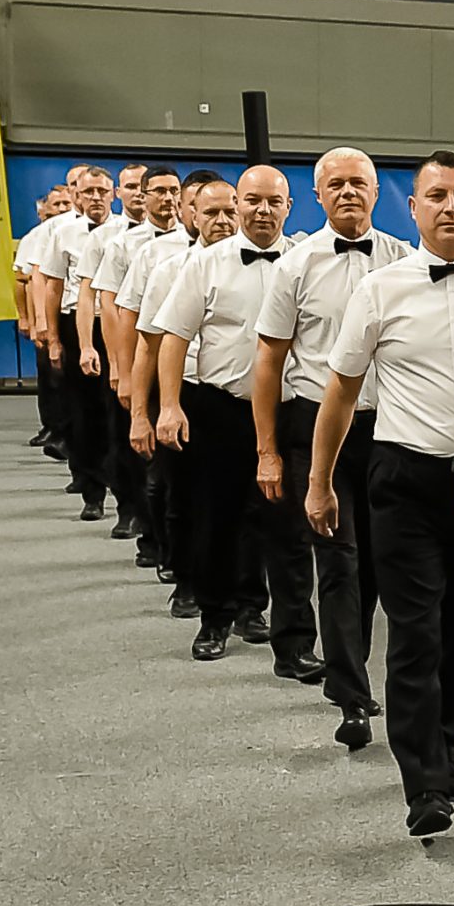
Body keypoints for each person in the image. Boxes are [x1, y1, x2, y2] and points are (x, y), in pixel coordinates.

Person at [310, 151, 454, 838]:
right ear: (413, 208)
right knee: (414, 631)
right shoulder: (380, 289)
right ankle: (423, 782)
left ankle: (444, 748)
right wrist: (319, 481)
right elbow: (340, 392)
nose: (450, 207)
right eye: (436, 196)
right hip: (404, 478)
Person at [257, 149, 405, 748]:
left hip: (388, 430)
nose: (348, 192)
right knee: (338, 562)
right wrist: (267, 450)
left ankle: (356, 672)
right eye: (336, 184)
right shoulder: (294, 266)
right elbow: (268, 361)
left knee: (375, 568)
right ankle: (351, 695)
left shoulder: (403, 262)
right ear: (317, 196)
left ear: (376, 192)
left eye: (358, 183)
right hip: (315, 428)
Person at [145, 197, 307, 671]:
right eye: (253, 201)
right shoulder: (205, 263)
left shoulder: (305, 261)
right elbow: (174, 337)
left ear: (289, 207)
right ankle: (214, 616)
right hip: (221, 407)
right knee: (217, 518)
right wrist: (168, 405)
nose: (263, 211)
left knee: (281, 523)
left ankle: (265, 617)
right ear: (240, 207)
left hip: (288, 409)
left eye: (273, 202)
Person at [129, 178, 239, 609]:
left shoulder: (276, 264)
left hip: (250, 399)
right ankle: (188, 581)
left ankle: (247, 602)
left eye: (229, 211)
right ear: (191, 215)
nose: (222, 221)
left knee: (248, 507)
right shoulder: (170, 270)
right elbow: (148, 345)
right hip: (187, 395)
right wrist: (142, 412)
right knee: (185, 498)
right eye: (209, 212)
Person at [90, 167, 184, 549]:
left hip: (180, 362)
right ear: (144, 197)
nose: (167, 198)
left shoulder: (191, 243)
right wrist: (121, 367)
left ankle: (166, 536)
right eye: (158, 191)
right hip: (138, 355)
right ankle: (132, 514)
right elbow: (113, 309)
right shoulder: (125, 246)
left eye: (173, 190)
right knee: (131, 444)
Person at [30, 166, 119, 516]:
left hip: (118, 323)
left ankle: (127, 496)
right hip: (75, 324)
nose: (96, 197)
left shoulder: (127, 231)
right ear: (76, 196)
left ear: (113, 195)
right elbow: (52, 287)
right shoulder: (61, 232)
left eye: (102, 191)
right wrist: (52, 338)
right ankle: (91, 490)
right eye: (88, 192)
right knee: (82, 410)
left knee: (118, 409)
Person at [18, 177, 82, 456]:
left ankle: (71, 433)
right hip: (58, 313)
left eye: (66, 202)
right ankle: (55, 428)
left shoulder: (106, 229)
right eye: (57, 204)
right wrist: (34, 320)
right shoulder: (42, 235)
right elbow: (30, 280)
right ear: (43, 209)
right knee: (52, 376)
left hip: (88, 315)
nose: (63, 208)